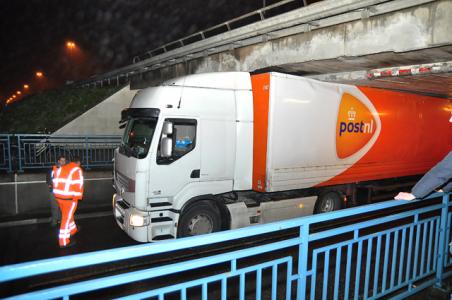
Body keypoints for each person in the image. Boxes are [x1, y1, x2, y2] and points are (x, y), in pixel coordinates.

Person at [52, 156, 84, 248]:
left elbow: (56, 180)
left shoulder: (62, 167)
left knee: (67, 215)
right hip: (69, 198)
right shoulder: (77, 169)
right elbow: (78, 184)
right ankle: (63, 241)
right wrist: (77, 198)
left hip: (58, 197)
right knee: (66, 217)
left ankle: (73, 229)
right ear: (78, 163)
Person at [46, 155, 66, 227]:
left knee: (61, 207)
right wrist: (50, 185)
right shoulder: (53, 169)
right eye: (62, 160)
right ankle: (54, 222)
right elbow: (48, 178)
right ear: (58, 161)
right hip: (54, 191)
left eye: (64, 161)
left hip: (62, 191)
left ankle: (60, 221)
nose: (63, 162)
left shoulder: (66, 169)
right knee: (54, 207)